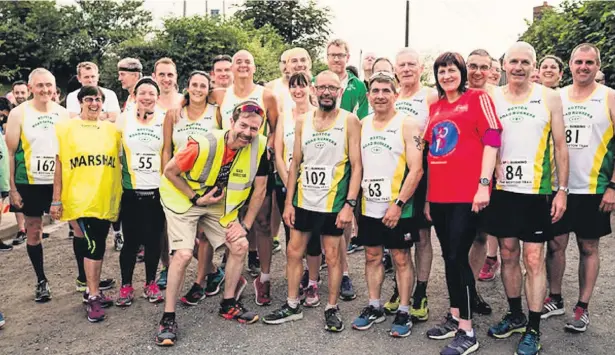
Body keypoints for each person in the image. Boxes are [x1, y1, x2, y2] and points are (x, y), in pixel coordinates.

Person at [155, 101, 269, 346]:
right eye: (243, 125)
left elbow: (260, 191)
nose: (248, 133)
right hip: (184, 198)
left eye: (254, 128)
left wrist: (245, 226)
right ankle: (168, 317)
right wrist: (195, 197)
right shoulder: (203, 143)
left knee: (239, 245)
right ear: (231, 123)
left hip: (216, 202)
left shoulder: (259, 147)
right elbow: (170, 171)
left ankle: (229, 304)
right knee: (184, 254)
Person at [484, 42, 568, 355]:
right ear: (504, 65)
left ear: (533, 67)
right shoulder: (493, 96)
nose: (518, 67)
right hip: (504, 192)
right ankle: (515, 314)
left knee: (533, 258)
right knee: (507, 253)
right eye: (513, 61)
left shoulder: (549, 96)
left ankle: (533, 327)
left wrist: (562, 190)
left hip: (537, 192)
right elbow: (489, 138)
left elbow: (560, 145)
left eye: (525, 62)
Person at [263, 70, 362, 332]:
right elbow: (296, 162)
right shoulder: (302, 121)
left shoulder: (350, 121)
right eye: (323, 87)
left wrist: (349, 204)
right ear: (314, 90)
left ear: (339, 91)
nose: (327, 92)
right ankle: (293, 304)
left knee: (332, 256)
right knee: (294, 252)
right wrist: (288, 202)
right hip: (304, 200)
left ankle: (331, 307)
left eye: (333, 87)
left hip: (333, 203)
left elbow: (357, 165)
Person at [422, 52, 501, 355]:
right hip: (440, 196)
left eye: (451, 70)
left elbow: (492, 138)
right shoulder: (436, 107)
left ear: (462, 72)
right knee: (449, 256)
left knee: (458, 256)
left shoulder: (477, 98)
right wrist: (428, 198)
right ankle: (455, 314)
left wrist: (484, 184)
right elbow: (432, 154)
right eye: (441, 71)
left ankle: (467, 331)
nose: (446, 75)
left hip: (466, 194)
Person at [543, 43, 615, 333]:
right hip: (559, 186)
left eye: (589, 62)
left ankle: (582, 307)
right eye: (578, 62)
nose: (583, 67)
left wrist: (613, 186)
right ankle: (555, 297)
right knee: (555, 245)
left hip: (594, 187)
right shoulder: (556, 97)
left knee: (588, 246)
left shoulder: (609, 97)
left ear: (597, 66)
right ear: (569, 65)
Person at [350, 72, 423, 338]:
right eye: (375, 91)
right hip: (369, 206)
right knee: (371, 256)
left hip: (398, 206)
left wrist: (399, 204)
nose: (380, 95)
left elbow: (416, 169)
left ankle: (404, 308)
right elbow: (357, 167)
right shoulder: (362, 123)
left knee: (401, 257)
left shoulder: (408, 124)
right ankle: (374, 305)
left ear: (395, 94)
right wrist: (354, 206)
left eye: (385, 91)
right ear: (368, 96)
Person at [212, 49, 279, 306]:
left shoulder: (266, 95)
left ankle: (264, 276)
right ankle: (231, 275)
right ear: (230, 68)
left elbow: (275, 126)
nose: (242, 65)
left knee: (262, 222)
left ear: (254, 67)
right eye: (237, 61)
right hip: (228, 163)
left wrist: (266, 149)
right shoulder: (220, 94)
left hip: (256, 161)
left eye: (247, 62)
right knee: (228, 219)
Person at [51, 85, 122, 322]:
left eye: (98, 99)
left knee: (99, 242)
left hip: (104, 197)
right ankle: (92, 295)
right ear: (80, 102)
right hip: (81, 199)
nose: (94, 103)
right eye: (89, 99)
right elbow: (59, 165)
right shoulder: (66, 129)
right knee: (94, 245)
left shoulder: (112, 131)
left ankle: (93, 291)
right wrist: (56, 199)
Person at [6, 68, 69, 302]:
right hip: (29, 181)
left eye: (48, 85)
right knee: (34, 230)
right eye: (40, 85)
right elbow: (11, 153)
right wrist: (12, 189)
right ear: (31, 88)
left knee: (78, 226)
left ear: (55, 88)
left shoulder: (63, 114)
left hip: (59, 181)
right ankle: (41, 280)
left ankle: (85, 279)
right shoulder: (18, 114)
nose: (45, 90)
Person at [161, 71, 224, 306]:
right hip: (178, 183)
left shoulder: (215, 112)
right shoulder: (174, 114)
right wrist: (164, 178)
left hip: (207, 183)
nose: (198, 89)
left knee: (205, 235)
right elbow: (167, 149)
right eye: (194, 85)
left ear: (209, 89)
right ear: (187, 87)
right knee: (184, 239)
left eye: (203, 86)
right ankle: (211, 271)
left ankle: (200, 281)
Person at [388, 48, 439, 321]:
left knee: (421, 236)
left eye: (411, 64)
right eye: (402, 65)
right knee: (398, 237)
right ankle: (400, 288)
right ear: (396, 69)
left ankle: (420, 290)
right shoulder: (392, 96)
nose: (406, 69)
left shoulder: (429, 95)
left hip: (421, 172)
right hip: (394, 174)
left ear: (421, 68)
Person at [113, 77, 166, 307]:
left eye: (151, 93)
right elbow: (114, 153)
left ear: (157, 97)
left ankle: (150, 283)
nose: (147, 97)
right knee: (131, 242)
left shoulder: (165, 119)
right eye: (142, 93)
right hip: (131, 191)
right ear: (134, 96)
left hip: (157, 191)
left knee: (154, 240)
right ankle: (125, 286)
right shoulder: (123, 120)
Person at [273, 72, 322, 306]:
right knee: (292, 234)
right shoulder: (284, 116)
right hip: (288, 184)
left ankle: (313, 281)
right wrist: (289, 181)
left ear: (310, 88)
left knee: (312, 238)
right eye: (293, 87)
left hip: (313, 184)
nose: (298, 91)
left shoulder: (317, 115)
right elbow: (279, 152)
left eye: (302, 86)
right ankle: (297, 276)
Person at [464, 49, 496, 315]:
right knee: (458, 236)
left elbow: (495, 138)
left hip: (490, 177)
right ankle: (460, 290)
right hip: (459, 176)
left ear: (491, 69)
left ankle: (470, 288)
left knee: (480, 235)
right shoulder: (454, 93)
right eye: (472, 65)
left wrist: (486, 180)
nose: (477, 72)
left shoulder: (498, 96)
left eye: (483, 67)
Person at [326, 39, 369, 119]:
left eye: (340, 55)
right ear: (327, 57)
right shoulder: (316, 82)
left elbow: (363, 118)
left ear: (348, 57)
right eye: (332, 55)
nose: (336, 59)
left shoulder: (359, 86)